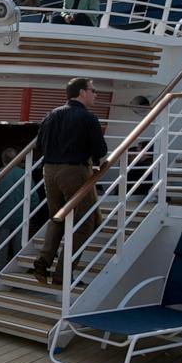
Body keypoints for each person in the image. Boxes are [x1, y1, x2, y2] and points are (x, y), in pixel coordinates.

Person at [33, 77, 108, 285]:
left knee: (57, 217)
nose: (95, 94)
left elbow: (39, 145)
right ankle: (63, 275)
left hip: (49, 171)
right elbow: (100, 150)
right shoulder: (88, 118)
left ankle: (44, 260)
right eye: (93, 90)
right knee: (86, 223)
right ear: (82, 92)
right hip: (74, 171)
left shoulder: (50, 116)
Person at [0, 148, 37, 275]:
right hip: (21, 217)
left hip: (0, 218)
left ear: (2, 160)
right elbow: (34, 199)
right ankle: (19, 276)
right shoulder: (25, 174)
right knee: (19, 250)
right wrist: (28, 214)